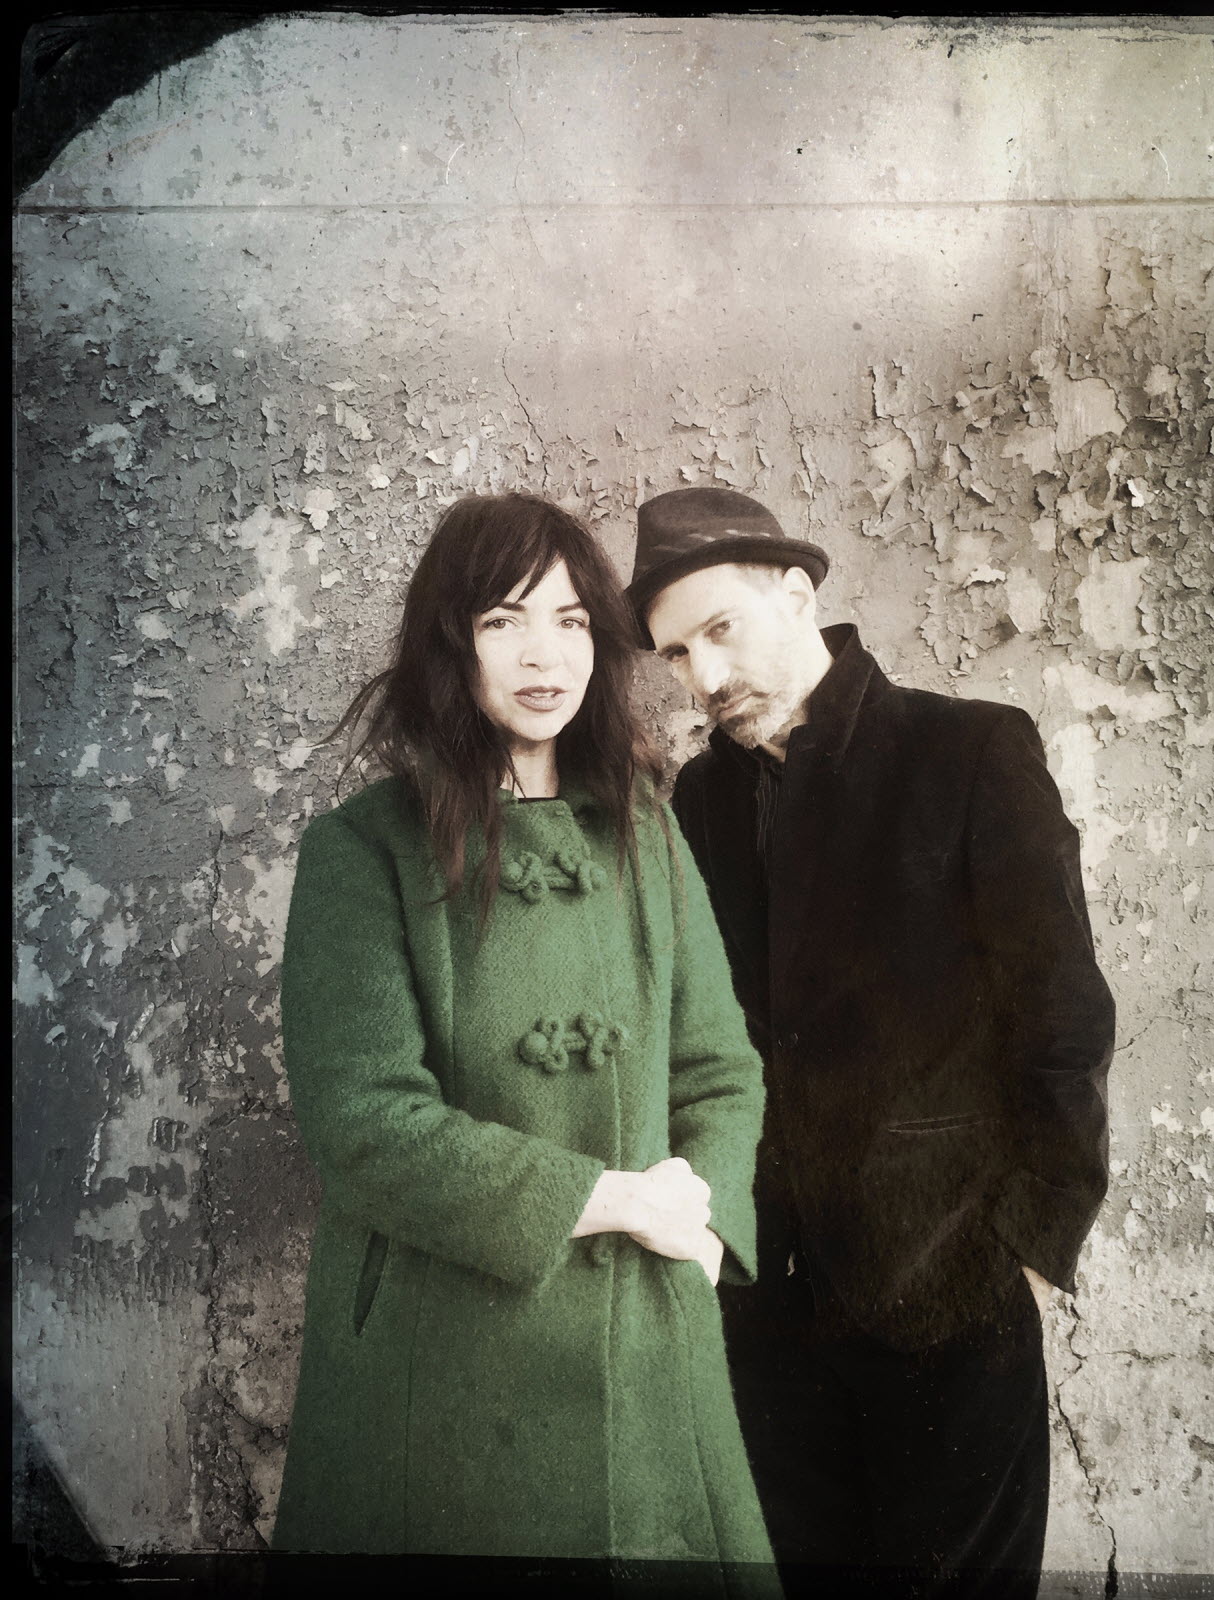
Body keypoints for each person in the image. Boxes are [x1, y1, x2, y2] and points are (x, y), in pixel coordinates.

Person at [271, 491, 775, 1585]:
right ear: (451, 644)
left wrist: (699, 1226)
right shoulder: (362, 852)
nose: (544, 655)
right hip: (441, 1366)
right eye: (503, 621)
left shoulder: (646, 830)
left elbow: (720, 1069)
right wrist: (610, 1199)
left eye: (570, 620)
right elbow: (363, 1122)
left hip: (646, 1341)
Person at [626, 485, 1117, 1598]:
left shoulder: (971, 751)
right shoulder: (698, 800)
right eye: (676, 654)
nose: (704, 676)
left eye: (720, 630)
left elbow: (1065, 1015)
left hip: (951, 1293)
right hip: (768, 1315)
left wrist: (1031, 1249)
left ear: (798, 596)